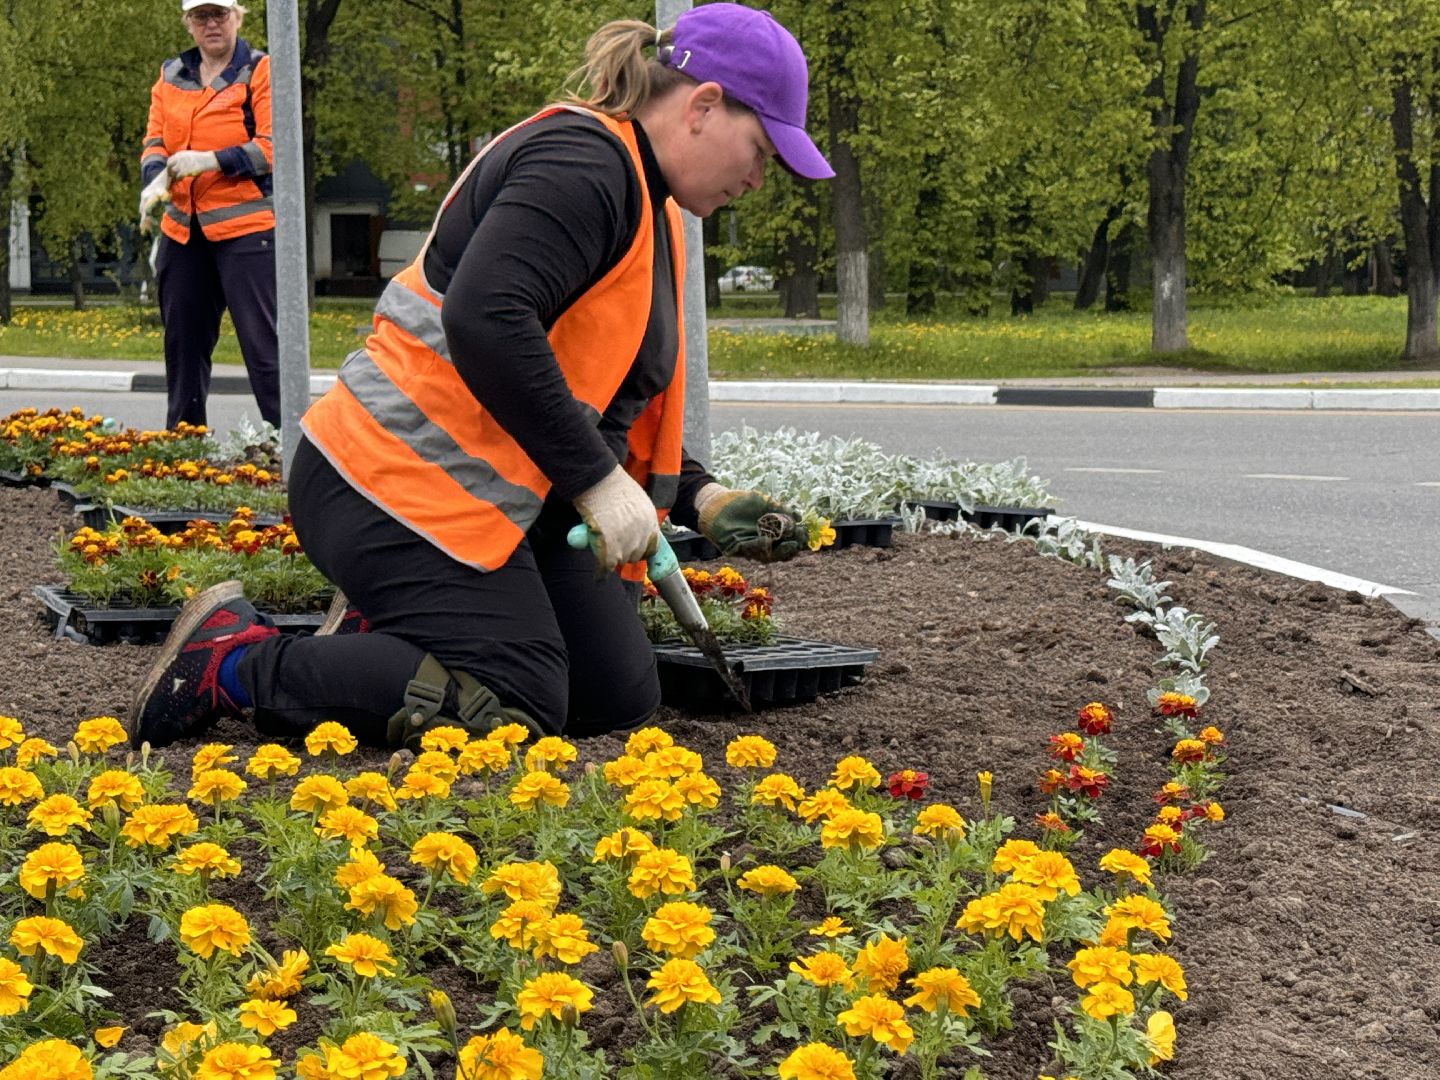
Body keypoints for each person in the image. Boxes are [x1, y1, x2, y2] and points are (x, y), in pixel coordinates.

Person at [128, 4, 833, 752]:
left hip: (473, 494)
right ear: (703, 106)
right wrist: (597, 482)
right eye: (761, 150)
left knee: (613, 695)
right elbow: (486, 319)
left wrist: (701, 495)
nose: (761, 178)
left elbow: (589, 396)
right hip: (381, 484)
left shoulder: (649, 202)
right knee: (518, 696)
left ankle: (385, 633)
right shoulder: (583, 165)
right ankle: (233, 664)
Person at [139, 0, 280, 431]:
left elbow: (273, 148)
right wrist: (154, 178)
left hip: (247, 232)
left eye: (219, 14)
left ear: (238, 16)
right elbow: (155, 141)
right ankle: (185, 449)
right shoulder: (170, 76)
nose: (211, 24)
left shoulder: (261, 70)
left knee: (264, 350)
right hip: (183, 231)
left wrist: (211, 161)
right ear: (188, 24)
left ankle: (294, 449)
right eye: (201, 17)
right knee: (183, 348)